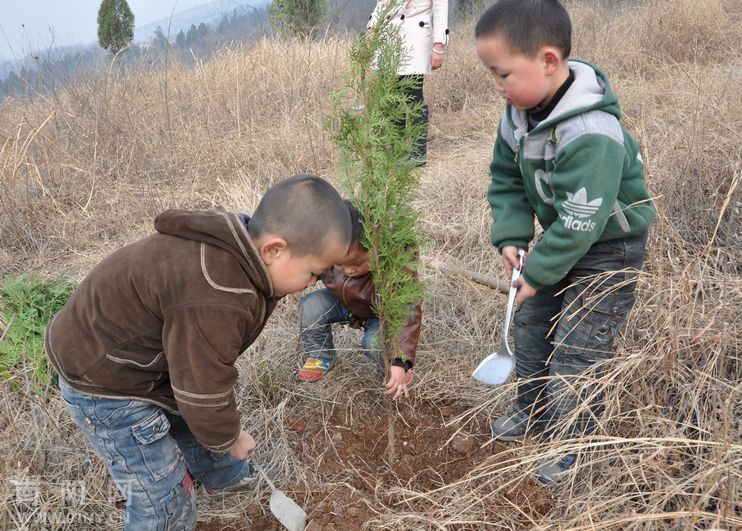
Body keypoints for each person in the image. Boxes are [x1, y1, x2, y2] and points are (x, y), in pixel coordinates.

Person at [46, 174, 352, 529]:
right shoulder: (218, 292)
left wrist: (218, 429)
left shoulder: (239, 253)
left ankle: (222, 473)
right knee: (162, 496)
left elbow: (196, 375)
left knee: (193, 419)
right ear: (273, 250)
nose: (313, 284)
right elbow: (201, 385)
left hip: (144, 359)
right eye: (314, 273)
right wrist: (230, 436)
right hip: (106, 380)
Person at [475, 0, 656, 485]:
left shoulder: (591, 132)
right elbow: (506, 180)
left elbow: (582, 219)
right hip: (561, 236)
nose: (498, 86)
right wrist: (512, 237)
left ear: (549, 61)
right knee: (532, 321)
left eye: (504, 74)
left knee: (580, 347)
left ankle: (572, 441)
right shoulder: (516, 116)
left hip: (608, 245)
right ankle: (531, 408)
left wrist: (536, 272)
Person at [297, 200, 421, 400]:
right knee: (310, 306)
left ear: (376, 247)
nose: (348, 270)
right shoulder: (330, 248)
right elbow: (310, 265)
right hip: (343, 302)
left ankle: (393, 371)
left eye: (357, 263)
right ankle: (321, 356)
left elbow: (407, 310)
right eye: (339, 264)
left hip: (380, 314)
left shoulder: (395, 265)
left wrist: (400, 360)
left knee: (374, 342)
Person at [367, 0, 449, 165]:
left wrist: (438, 45)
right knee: (392, 97)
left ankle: (418, 154)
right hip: (389, 37)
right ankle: (396, 152)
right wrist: (372, 28)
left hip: (416, 37)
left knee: (413, 95)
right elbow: (383, 4)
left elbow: (441, 7)